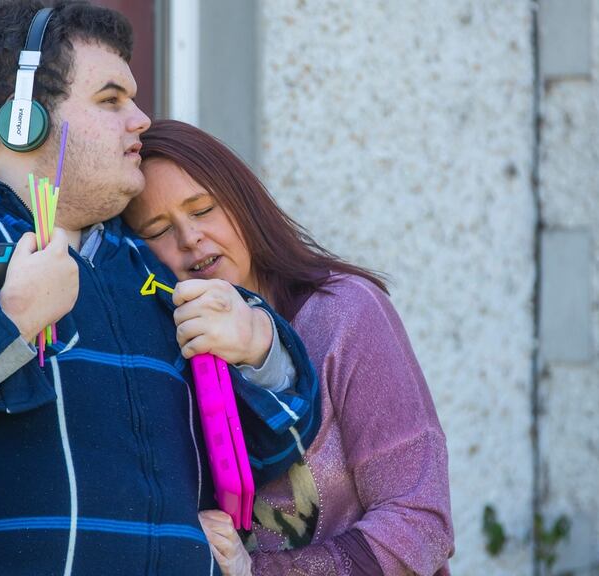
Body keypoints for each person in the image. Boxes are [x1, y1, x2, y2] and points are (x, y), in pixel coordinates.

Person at [0, 2, 321, 574]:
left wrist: (261, 354)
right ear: (24, 118)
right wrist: (5, 322)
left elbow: (271, 459)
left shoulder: (154, 268)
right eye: (111, 99)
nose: (141, 119)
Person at [122, 119, 454, 576]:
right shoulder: (158, 360)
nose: (189, 238)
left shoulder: (345, 315)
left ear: (243, 202)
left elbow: (420, 523)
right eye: (158, 229)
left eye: (202, 209)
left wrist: (258, 571)